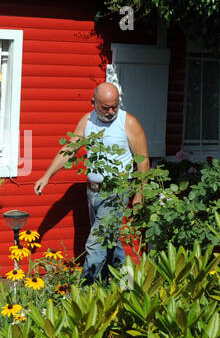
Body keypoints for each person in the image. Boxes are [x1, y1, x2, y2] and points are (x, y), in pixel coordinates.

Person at [34, 82, 149, 284]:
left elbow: (143, 160)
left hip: (116, 193)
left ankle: (84, 292)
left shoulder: (128, 123)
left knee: (96, 243)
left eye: (115, 106)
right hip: (93, 192)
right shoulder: (87, 121)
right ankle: (130, 285)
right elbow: (69, 149)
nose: (111, 111)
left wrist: (140, 193)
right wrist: (47, 176)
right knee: (110, 242)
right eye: (106, 107)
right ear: (93, 102)